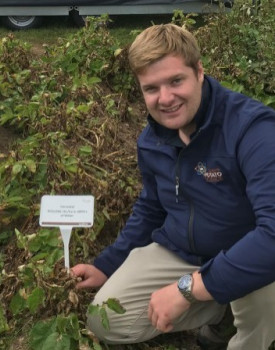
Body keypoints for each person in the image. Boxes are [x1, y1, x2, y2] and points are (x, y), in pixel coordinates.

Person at [72, 23, 275, 350]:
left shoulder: (253, 130)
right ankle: (219, 309)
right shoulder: (152, 140)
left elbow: (273, 235)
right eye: (151, 88)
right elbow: (151, 208)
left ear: (198, 71)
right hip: (183, 251)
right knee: (104, 318)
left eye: (175, 81)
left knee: (257, 322)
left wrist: (187, 290)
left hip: (251, 255)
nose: (165, 99)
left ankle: (233, 319)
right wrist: (105, 265)